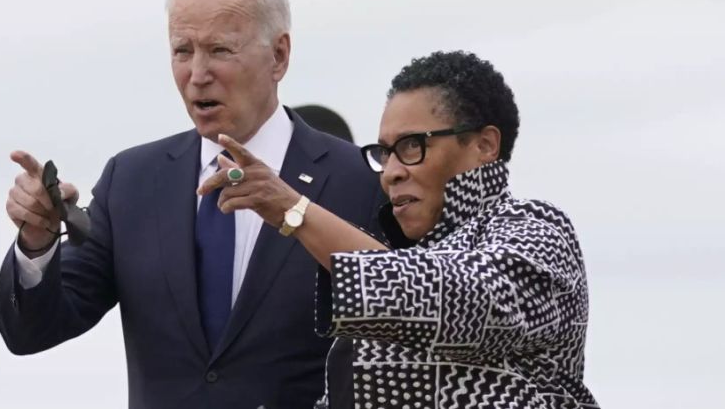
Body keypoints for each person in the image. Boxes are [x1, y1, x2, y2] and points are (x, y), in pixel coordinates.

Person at [0, 0, 383, 409]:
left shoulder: (359, 180)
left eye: (219, 49)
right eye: (182, 50)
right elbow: (31, 332)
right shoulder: (132, 181)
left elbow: (410, 334)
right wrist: (37, 243)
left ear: (279, 56)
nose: (197, 73)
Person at [200, 51, 599, 408]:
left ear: (485, 145)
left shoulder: (537, 230)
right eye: (386, 153)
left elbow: (457, 300)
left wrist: (296, 210)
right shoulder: (404, 258)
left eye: (411, 146)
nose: (391, 173)